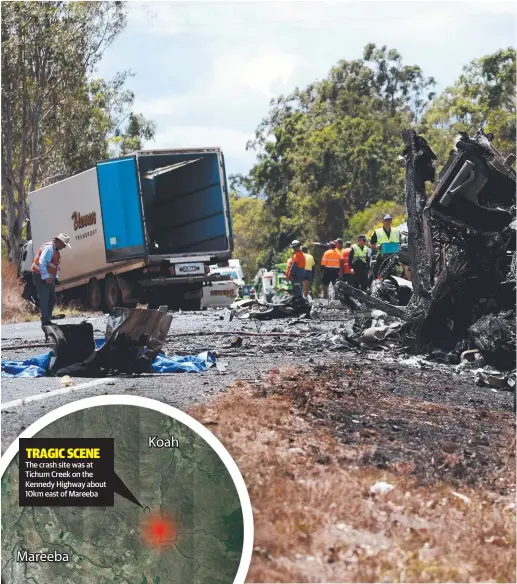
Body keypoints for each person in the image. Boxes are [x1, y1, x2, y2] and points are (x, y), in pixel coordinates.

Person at [31, 233, 71, 327]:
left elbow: (54, 265)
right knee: (45, 297)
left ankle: (48, 318)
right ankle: (45, 321)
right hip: (39, 274)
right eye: (64, 244)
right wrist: (46, 276)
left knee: (52, 297)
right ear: (59, 242)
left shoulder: (56, 250)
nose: (64, 247)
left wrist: (55, 277)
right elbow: (42, 262)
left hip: (48, 275)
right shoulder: (49, 248)